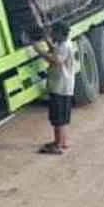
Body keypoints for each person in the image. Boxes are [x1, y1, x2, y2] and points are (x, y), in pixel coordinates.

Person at [36, 22, 74, 155]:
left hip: (59, 86)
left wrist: (39, 51)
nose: (52, 34)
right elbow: (55, 50)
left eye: (53, 32)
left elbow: (55, 61)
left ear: (60, 33)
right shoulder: (65, 43)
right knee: (62, 117)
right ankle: (62, 141)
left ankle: (57, 144)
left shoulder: (63, 46)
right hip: (65, 86)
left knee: (57, 118)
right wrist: (46, 40)